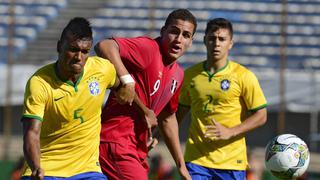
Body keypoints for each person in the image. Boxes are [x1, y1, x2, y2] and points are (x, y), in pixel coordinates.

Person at [94, 8, 197, 180]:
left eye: (186, 35)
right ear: (163, 32)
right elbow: (104, 45)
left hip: (137, 150)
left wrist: (180, 164)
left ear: (191, 41)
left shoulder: (178, 75)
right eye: (174, 31)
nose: (178, 39)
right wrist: (127, 80)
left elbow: (168, 118)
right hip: (115, 143)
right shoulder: (149, 48)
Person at [20, 17, 122, 180]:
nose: (78, 57)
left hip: (87, 170)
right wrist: (36, 167)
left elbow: (122, 88)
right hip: (47, 169)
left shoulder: (102, 70)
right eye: (73, 49)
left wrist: (145, 112)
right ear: (59, 46)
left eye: (85, 51)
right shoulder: (39, 83)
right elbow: (32, 132)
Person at [177, 18, 268, 180]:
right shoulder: (190, 76)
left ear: (230, 43)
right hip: (196, 160)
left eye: (222, 39)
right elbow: (176, 115)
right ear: (205, 40)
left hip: (231, 162)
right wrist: (156, 136)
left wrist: (230, 131)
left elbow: (261, 115)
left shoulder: (243, 76)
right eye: (212, 38)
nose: (216, 43)